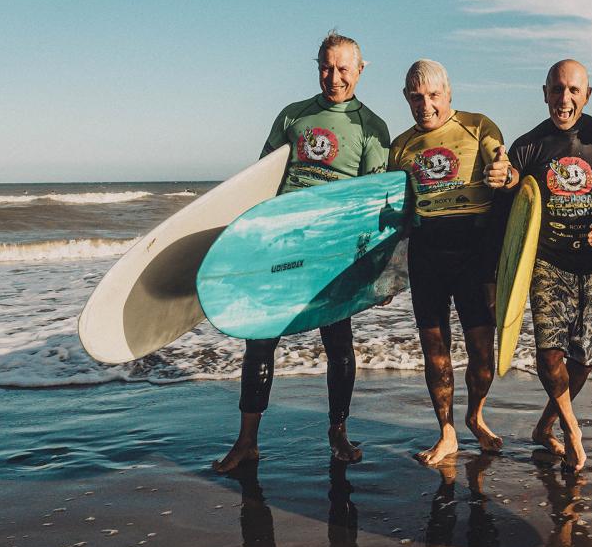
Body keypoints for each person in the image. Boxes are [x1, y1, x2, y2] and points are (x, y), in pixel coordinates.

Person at [212, 30, 391, 472]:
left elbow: (374, 204)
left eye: (343, 69)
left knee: (339, 345)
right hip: (281, 246)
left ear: (361, 69)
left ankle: (338, 433)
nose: (334, 78)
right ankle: (247, 440)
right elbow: (260, 179)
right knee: (260, 340)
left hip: (332, 255)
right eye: (326, 68)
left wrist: (376, 270)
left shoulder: (373, 129)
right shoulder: (294, 116)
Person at [486, 59, 592, 472]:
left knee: (584, 357)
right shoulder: (528, 145)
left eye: (573, 90)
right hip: (547, 261)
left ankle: (544, 426)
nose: (564, 98)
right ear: (545, 93)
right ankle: (571, 427)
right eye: (557, 89)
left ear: (587, 95)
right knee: (549, 354)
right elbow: (511, 206)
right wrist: (503, 178)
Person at [388, 59, 506, 464]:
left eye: (433, 96)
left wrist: (504, 175)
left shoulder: (478, 126)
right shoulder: (400, 147)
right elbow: (397, 216)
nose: (426, 105)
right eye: (417, 97)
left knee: (482, 355)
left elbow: (504, 169)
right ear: (406, 98)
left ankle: (475, 415)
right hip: (427, 255)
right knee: (434, 351)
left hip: (475, 254)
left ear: (448, 93)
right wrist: (386, 276)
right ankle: (447, 433)